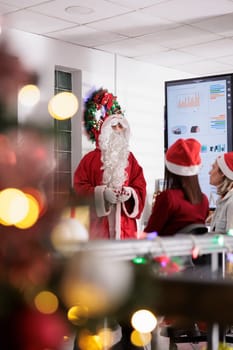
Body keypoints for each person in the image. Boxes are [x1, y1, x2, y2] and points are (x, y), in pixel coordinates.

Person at [73, 88, 146, 240]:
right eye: (114, 126)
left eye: (121, 127)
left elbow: (140, 186)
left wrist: (129, 194)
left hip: (125, 226)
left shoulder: (130, 159)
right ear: (106, 130)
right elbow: (79, 187)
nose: (118, 130)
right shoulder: (90, 159)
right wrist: (101, 194)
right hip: (98, 226)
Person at [144, 138, 209, 236]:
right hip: (194, 251)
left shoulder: (168, 197)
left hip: (167, 250)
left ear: (170, 169)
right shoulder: (204, 200)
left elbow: (150, 234)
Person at [209, 152, 233, 234]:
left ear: (223, 172)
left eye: (213, 168)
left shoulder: (231, 203)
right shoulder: (222, 199)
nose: (210, 172)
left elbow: (230, 242)